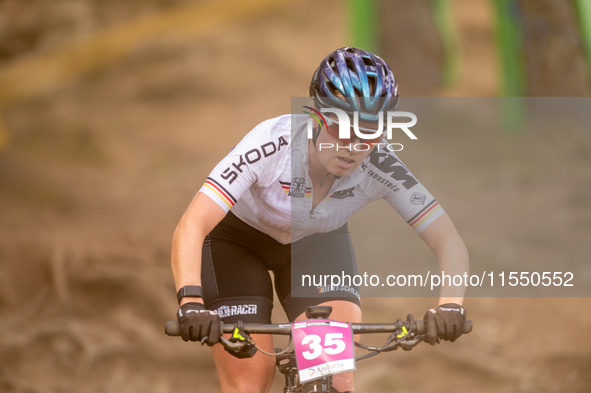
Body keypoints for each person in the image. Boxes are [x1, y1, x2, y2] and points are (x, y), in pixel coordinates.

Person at [171, 47, 469, 393]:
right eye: (341, 127)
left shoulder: (381, 165)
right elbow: (192, 224)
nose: (353, 147)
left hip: (316, 244)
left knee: (335, 375)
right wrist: (190, 303)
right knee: (249, 380)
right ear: (315, 115)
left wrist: (450, 306)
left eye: (369, 132)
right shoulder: (272, 143)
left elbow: (448, 240)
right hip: (236, 243)